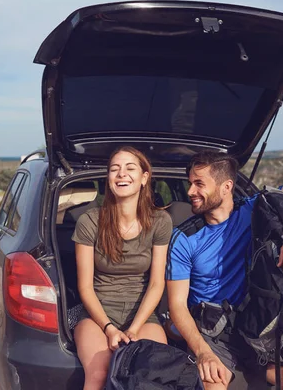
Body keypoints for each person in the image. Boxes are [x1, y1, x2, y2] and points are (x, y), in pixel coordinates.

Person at [166, 151, 283, 390]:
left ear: (226, 187)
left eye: (199, 184)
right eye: (190, 184)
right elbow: (177, 306)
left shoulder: (255, 209)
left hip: (258, 329)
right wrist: (203, 353)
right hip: (211, 334)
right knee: (213, 384)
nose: (191, 191)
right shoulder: (184, 238)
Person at [72, 146, 173, 390]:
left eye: (130, 168)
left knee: (154, 375)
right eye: (114, 169)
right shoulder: (90, 221)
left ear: (144, 178)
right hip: (97, 314)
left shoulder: (160, 222)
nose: (121, 174)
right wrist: (109, 329)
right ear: (108, 179)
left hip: (143, 315)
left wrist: (134, 329)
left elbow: (157, 283)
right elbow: (85, 286)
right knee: (99, 372)